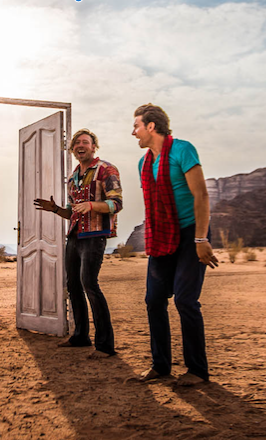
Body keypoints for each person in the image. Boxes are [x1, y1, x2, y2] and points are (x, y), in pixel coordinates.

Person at [132, 104, 219, 385]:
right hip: (162, 235)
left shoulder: (183, 150)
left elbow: (201, 195)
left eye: (136, 126)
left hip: (191, 233)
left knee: (185, 300)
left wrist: (201, 239)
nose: (133, 133)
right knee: (154, 300)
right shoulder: (144, 163)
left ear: (151, 126)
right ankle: (161, 365)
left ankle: (197, 370)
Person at [34, 129, 123, 359]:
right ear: (72, 149)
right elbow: (72, 211)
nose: (80, 146)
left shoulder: (106, 169)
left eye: (85, 142)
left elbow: (116, 203)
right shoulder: (73, 176)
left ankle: (105, 345)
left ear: (94, 147)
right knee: (73, 285)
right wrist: (55, 209)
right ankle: (80, 336)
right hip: (74, 235)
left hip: (95, 234)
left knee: (89, 284)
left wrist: (92, 205)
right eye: (77, 143)